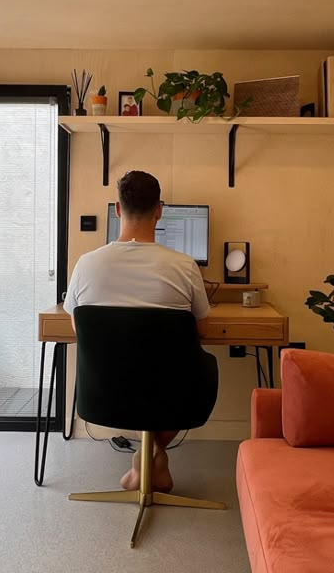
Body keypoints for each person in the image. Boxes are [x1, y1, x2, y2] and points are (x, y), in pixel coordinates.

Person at [63, 170, 209, 493]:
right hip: (172, 394)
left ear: (117, 209)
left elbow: (78, 327)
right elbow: (201, 329)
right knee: (196, 371)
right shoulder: (185, 267)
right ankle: (148, 461)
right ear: (159, 210)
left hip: (103, 392)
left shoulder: (86, 265)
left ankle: (142, 465)